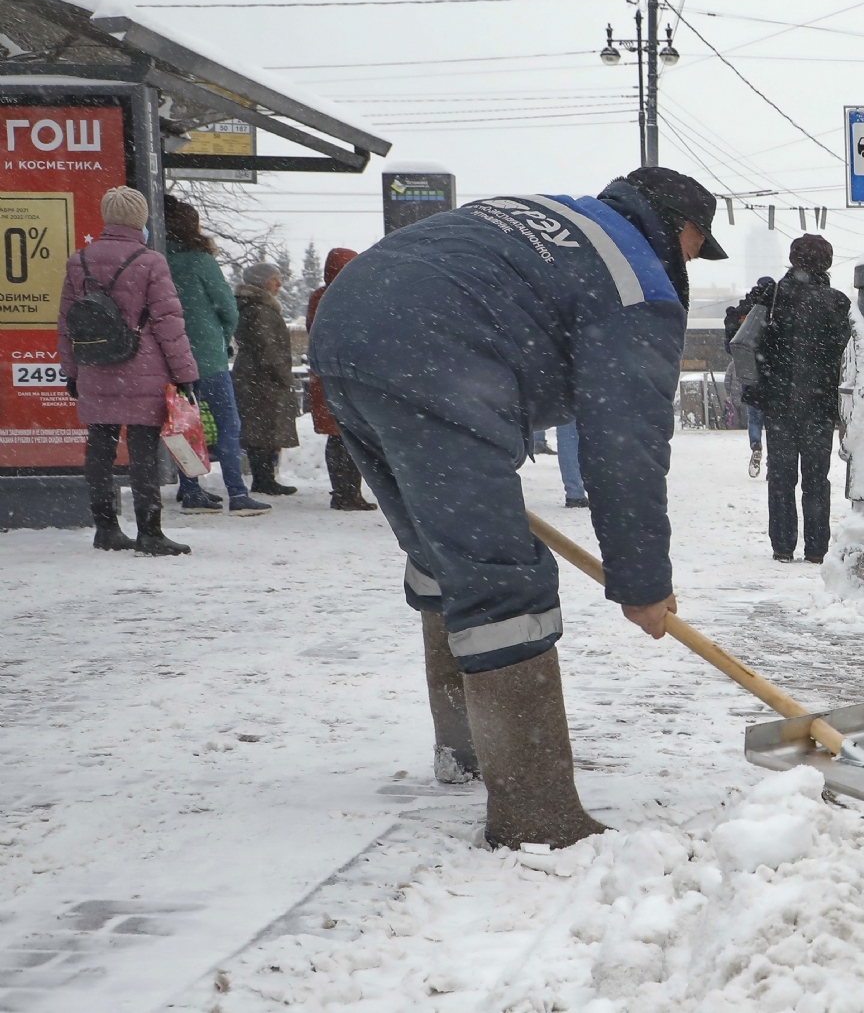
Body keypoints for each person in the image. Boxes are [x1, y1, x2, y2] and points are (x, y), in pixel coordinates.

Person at [307, 166, 727, 849]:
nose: (689, 263)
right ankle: (535, 811)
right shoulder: (635, 279)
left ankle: (467, 748)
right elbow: (625, 445)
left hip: (349, 325)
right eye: (695, 248)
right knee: (501, 577)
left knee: (443, 551)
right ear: (683, 230)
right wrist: (643, 582)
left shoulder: (562, 221)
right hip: (434, 350)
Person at [57, 186, 201, 556]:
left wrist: (71, 371)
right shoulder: (150, 261)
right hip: (144, 370)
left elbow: (67, 323)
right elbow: (169, 323)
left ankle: (106, 528)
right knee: (143, 454)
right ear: (140, 220)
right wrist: (185, 374)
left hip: (94, 366)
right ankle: (150, 533)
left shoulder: (80, 260)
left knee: (100, 450)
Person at [747, 234, 850, 564]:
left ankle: (782, 546)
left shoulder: (773, 297)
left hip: (778, 402)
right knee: (816, 479)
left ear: (793, 260)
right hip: (819, 405)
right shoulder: (837, 302)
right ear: (827, 263)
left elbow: (742, 341)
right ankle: (817, 549)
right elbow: (847, 357)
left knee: (780, 477)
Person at [163, 196, 268, 516]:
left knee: (184, 425)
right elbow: (227, 308)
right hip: (209, 358)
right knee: (227, 425)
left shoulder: (158, 259)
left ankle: (191, 489)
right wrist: (222, 339)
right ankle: (237, 493)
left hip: (172, 359)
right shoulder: (201, 261)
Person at [306, 248, 376, 511]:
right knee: (349, 438)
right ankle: (348, 494)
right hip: (345, 376)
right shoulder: (353, 296)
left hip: (323, 375)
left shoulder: (318, 297)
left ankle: (342, 492)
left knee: (337, 438)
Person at [233, 262, 300, 496]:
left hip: (253, 377)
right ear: (261, 282)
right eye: (274, 278)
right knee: (263, 430)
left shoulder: (250, 306)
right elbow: (267, 348)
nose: (279, 284)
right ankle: (264, 479)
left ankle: (264, 478)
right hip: (262, 380)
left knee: (260, 430)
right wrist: (284, 375)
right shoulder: (260, 310)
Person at [723, 278, 773, 479]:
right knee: (774, 423)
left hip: (749, 372)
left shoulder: (743, 310)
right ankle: (773, 464)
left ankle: (756, 444)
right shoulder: (776, 308)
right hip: (773, 377)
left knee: (754, 417)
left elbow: (730, 346)